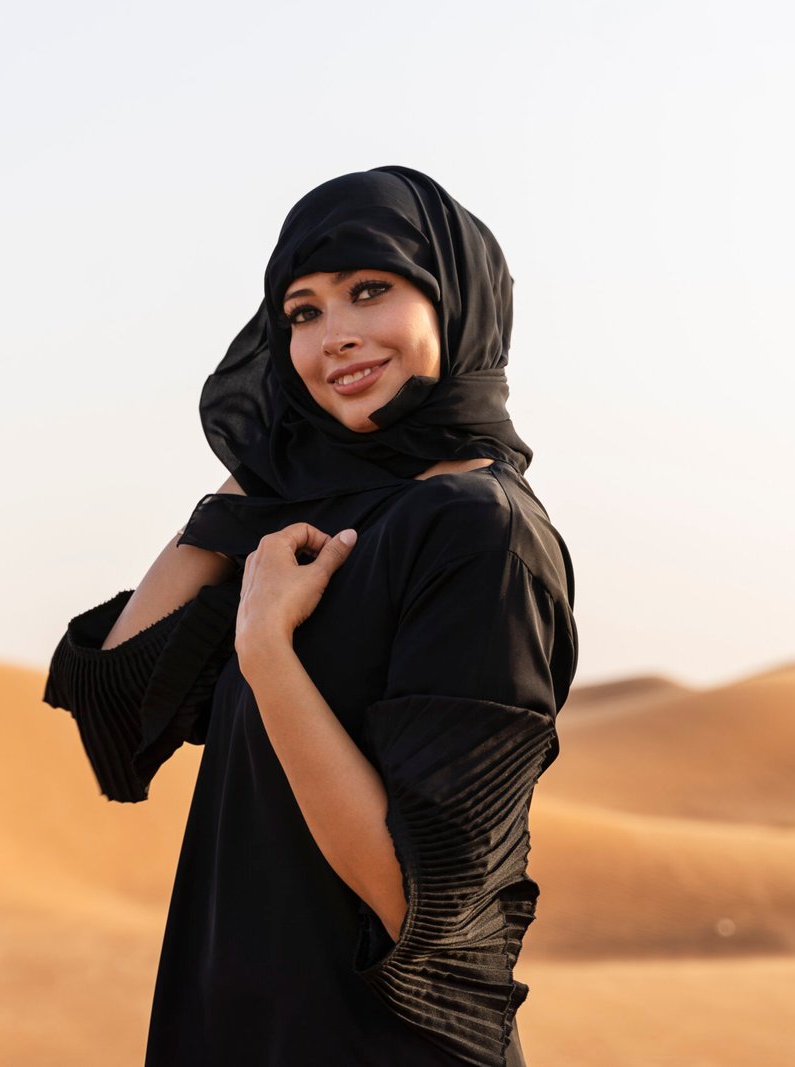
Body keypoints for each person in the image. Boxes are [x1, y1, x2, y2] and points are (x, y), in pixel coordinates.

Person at [42, 165, 579, 1067]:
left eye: (370, 291)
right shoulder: (311, 526)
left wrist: (265, 649)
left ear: (455, 298)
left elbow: (425, 902)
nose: (336, 336)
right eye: (302, 312)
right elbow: (120, 708)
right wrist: (264, 460)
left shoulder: (483, 536)